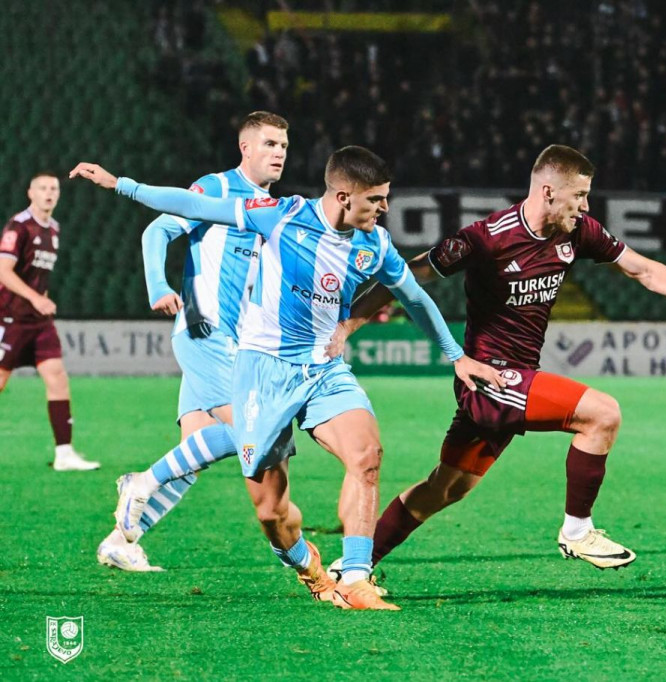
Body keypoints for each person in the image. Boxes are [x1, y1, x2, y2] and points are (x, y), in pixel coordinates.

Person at [71, 147, 505, 611]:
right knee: (272, 513)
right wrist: (122, 185)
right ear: (343, 196)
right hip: (263, 372)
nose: (384, 208)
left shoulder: (374, 244)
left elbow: (414, 296)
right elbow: (194, 205)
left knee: (366, 456)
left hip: (324, 370)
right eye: (376, 199)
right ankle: (309, 568)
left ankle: (356, 577)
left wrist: (456, 356)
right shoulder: (281, 216)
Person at [330, 145, 666, 574]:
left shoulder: (578, 232)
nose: (586, 206)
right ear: (549, 191)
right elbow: (405, 277)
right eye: (580, 195)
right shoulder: (486, 238)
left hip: (516, 380)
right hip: (490, 378)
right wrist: (346, 326)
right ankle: (577, 531)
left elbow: (642, 270)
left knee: (445, 488)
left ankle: (352, 567)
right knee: (602, 414)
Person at [97, 111, 292, 572]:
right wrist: (158, 286)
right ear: (245, 147)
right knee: (259, 433)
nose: (279, 153)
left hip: (235, 343)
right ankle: (142, 482)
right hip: (206, 332)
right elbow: (158, 229)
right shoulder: (217, 188)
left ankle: (120, 541)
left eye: (284, 146)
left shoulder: (270, 207)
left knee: (196, 450)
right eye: (269, 144)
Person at [0, 172, 99, 471]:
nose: (49, 193)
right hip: (10, 318)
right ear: (30, 192)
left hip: (39, 321)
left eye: (53, 188)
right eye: (42, 188)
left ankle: (64, 453)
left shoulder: (53, 228)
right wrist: (36, 298)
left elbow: (37, 275)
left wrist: (41, 299)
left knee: (57, 376)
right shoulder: (19, 226)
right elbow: (3, 271)